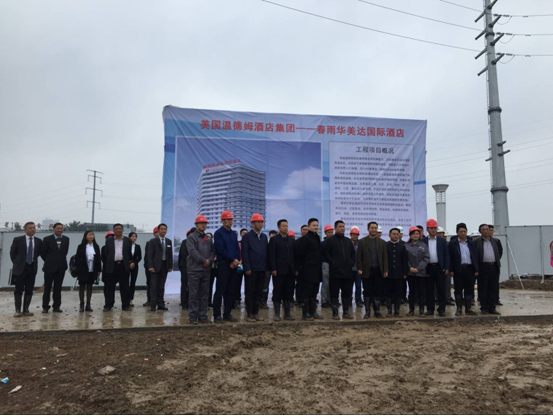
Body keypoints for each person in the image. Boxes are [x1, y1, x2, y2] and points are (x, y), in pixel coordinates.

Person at [186, 216, 215, 324]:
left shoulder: (208, 238)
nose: (203, 225)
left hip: (206, 270)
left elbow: (213, 251)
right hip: (194, 270)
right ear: (196, 224)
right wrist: (203, 261)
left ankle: (202, 316)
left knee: (204, 294)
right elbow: (192, 251)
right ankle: (193, 317)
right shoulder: (191, 237)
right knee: (194, 294)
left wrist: (209, 260)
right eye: (201, 223)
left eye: (205, 223)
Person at [324, 220, 356, 320]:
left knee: (347, 293)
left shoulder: (348, 241)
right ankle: (335, 313)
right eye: (340, 227)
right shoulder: (330, 240)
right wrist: (332, 262)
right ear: (335, 228)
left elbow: (353, 254)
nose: (342, 228)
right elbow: (326, 253)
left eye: (343, 226)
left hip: (347, 272)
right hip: (335, 272)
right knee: (334, 293)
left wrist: (351, 262)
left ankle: (346, 312)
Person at [10, 222, 43, 317]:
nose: (33, 229)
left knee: (29, 289)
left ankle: (26, 309)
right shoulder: (18, 240)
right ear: (25, 230)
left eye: (34, 228)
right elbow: (13, 253)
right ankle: (17, 310)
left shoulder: (38, 241)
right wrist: (18, 263)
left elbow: (38, 254)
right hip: (20, 268)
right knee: (18, 289)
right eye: (30, 228)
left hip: (32, 267)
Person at [356, 221, 388, 318]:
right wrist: (359, 268)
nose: (374, 230)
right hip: (366, 270)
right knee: (367, 291)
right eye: (372, 228)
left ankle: (377, 311)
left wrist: (385, 270)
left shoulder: (382, 242)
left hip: (378, 270)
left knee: (377, 291)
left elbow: (385, 257)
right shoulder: (362, 242)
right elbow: (359, 257)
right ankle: (367, 312)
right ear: (368, 229)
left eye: (375, 228)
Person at [213, 210, 240, 323]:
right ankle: (217, 315)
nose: (230, 221)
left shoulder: (233, 234)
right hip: (224, 264)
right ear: (223, 221)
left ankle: (227, 314)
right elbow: (220, 249)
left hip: (233, 265)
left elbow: (237, 248)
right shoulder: (218, 233)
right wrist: (232, 259)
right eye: (228, 219)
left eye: (231, 219)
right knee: (220, 290)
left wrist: (236, 260)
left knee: (230, 291)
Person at [268, 219, 298, 321]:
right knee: (278, 292)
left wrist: (296, 269)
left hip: (290, 271)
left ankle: (287, 314)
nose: (285, 228)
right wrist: (273, 268)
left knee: (288, 292)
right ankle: (277, 314)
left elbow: (295, 256)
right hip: (278, 271)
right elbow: (271, 256)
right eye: (283, 226)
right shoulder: (274, 240)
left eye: (286, 226)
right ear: (278, 227)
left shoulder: (292, 240)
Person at [241, 214, 269, 322]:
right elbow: (244, 253)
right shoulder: (247, 236)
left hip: (261, 269)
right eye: (258, 222)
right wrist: (247, 267)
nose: (260, 224)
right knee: (250, 292)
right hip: (251, 269)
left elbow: (266, 253)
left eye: (261, 222)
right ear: (253, 223)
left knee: (259, 292)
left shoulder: (264, 237)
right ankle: (250, 314)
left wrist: (266, 267)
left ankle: (256, 313)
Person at [296, 218, 323, 320]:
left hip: (316, 270)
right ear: (308, 227)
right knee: (306, 293)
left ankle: (313, 312)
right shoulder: (305, 239)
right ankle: (306, 313)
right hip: (307, 271)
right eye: (313, 225)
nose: (316, 227)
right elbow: (300, 255)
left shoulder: (317, 238)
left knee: (314, 292)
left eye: (317, 225)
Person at [448, 223, 478, 316]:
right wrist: (451, 269)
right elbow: (450, 257)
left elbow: (475, 256)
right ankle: (459, 309)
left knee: (469, 289)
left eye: (464, 231)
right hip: (458, 269)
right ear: (457, 232)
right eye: (461, 231)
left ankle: (468, 308)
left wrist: (476, 269)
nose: (463, 233)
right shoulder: (453, 244)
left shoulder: (471, 243)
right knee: (458, 289)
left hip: (469, 269)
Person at [102, 224, 134, 312]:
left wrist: (129, 263)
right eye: (116, 229)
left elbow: (129, 253)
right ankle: (108, 305)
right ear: (114, 230)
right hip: (112, 266)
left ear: (122, 230)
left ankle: (125, 305)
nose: (118, 230)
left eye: (120, 228)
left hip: (123, 266)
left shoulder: (127, 240)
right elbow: (106, 253)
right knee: (109, 287)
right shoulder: (109, 240)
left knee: (125, 287)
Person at [422, 219, 450, 317]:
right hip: (428, 268)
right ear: (427, 229)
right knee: (429, 290)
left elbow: (446, 255)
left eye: (435, 228)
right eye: (431, 228)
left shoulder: (442, 241)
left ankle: (441, 309)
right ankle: (430, 309)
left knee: (441, 290)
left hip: (439, 268)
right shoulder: (423, 241)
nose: (433, 230)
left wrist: (446, 267)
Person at [40, 222, 70, 313]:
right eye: (58, 228)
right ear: (53, 229)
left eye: (61, 228)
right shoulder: (47, 239)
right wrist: (50, 260)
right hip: (49, 267)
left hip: (61, 267)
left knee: (58, 287)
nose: (60, 230)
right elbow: (43, 253)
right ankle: (45, 306)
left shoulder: (66, 239)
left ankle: (56, 306)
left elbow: (65, 252)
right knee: (47, 287)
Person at [473, 224, 502, 315]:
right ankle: (484, 308)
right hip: (483, 267)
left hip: (493, 266)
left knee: (493, 288)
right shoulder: (476, 242)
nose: (486, 231)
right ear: (480, 231)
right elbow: (474, 255)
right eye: (483, 230)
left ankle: (492, 307)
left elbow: (499, 252)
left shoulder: (496, 241)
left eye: (487, 229)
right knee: (483, 288)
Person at [147, 223, 173, 312]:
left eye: (165, 229)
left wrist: (170, 266)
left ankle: (161, 304)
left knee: (161, 286)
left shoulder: (169, 241)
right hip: (155, 267)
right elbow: (149, 255)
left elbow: (170, 255)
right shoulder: (153, 241)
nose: (163, 231)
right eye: (161, 229)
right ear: (158, 230)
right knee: (154, 287)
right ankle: (153, 305)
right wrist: (150, 266)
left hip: (165, 267)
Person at [405, 226, 430, 316]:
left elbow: (426, 258)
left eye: (417, 234)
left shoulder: (424, 246)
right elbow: (404, 259)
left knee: (421, 292)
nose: (415, 236)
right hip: (410, 273)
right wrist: (410, 267)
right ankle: (411, 310)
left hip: (421, 273)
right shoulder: (406, 246)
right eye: (413, 234)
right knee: (411, 292)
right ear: (410, 235)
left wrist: (418, 268)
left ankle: (421, 310)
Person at [74, 230, 101, 312]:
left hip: (92, 269)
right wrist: (79, 268)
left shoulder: (96, 246)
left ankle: (88, 305)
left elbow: (98, 259)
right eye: (89, 235)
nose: (91, 236)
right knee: (82, 286)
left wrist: (99, 270)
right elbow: (77, 258)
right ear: (86, 236)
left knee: (90, 286)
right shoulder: (81, 246)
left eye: (92, 235)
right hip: (83, 269)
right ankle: (81, 304)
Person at [385, 227, 408, 316]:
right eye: (393, 234)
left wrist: (405, 272)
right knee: (388, 293)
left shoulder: (402, 246)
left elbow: (405, 260)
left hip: (399, 274)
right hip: (388, 274)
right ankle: (389, 310)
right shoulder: (386, 245)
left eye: (397, 234)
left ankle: (397, 310)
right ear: (389, 235)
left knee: (398, 293)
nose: (395, 236)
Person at [178, 228, 195, 310]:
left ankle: (191, 302)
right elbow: (184, 255)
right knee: (185, 285)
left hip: (195, 267)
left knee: (193, 286)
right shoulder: (185, 242)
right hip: (185, 267)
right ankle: (184, 303)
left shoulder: (198, 242)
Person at [142, 227, 159, 307]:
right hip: (150, 267)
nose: (157, 234)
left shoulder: (164, 242)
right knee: (149, 284)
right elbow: (147, 256)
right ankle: (149, 300)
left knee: (158, 285)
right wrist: (148, 266)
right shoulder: (149, 243)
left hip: (159, 267)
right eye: (156, 232)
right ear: (154, 234)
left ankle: (158, 300)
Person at [488, 224, 504, 306]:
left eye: (492, 230)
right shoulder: (480, 241)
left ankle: (496, 299)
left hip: (495, 265)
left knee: (495, 283)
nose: (491, 232)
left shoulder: (497, 241)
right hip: (485, 266)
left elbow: (500, 252)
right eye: (489, 230)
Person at [233, 228, 248, 309]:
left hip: (247, 266)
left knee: (248, 284)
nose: (244, 234)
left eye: (246, 233)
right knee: (237, 283)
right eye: (243, 233)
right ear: (241, 234)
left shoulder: (250, 243)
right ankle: (237, 299)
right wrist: (239, 261)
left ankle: (248, 299)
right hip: (238, 265)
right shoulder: (238, 243)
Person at [320, 224, 334, 309]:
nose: (331, 234)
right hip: (325, 264)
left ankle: (330, 300)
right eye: (329, 232)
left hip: (333, 265)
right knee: (325, 283)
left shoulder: (335, 243)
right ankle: (324, 300)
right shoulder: (322, 244)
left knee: (332, 284)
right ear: (325, 233)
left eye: (332, 232)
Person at [128, 232, 142, 307]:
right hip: (126, 266)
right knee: (126, 282)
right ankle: (125, 299)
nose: (134, 238)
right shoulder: (126, 246)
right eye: (133, 236)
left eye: (135, 236)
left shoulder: (138, 246)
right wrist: (129, 263)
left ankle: (131, 299)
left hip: (135, 266)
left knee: (132, 283)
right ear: (129, 237)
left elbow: (139, 257)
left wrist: (134, 263)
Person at [350, 226, 363, 307]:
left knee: (358, 286)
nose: (355, 236)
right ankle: (349, 301)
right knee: (349, 286)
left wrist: (360, 268)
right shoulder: (347, 243)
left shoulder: (360, 244)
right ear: (350, 235)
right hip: (349, 269)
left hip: (358, 269)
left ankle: (358, 300)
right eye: (354, 234)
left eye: (357, 235)